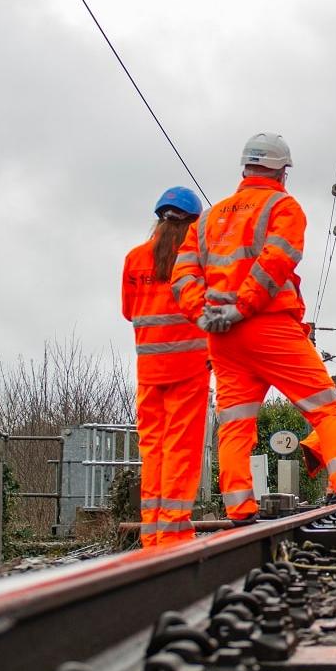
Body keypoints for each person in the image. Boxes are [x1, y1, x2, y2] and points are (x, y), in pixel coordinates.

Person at [172, 133, 336, 526]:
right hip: (268, 327)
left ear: (245, 168)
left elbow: (182, 275)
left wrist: (205, 315)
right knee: (327, 408)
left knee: (235, 423)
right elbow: (277, 260)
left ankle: (239, 510)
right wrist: (243, 307)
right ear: (282, 172)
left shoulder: (209, 219)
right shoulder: (282, 206)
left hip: (223, 339)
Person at [121, 186, 210, 548]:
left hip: (149, 372)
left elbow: (129, 311)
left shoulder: (135, 259)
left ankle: (153, 536)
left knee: (153, 453)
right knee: (180, 453)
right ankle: (175, 535)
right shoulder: (197, 260)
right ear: (194, 222)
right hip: (188, 370)